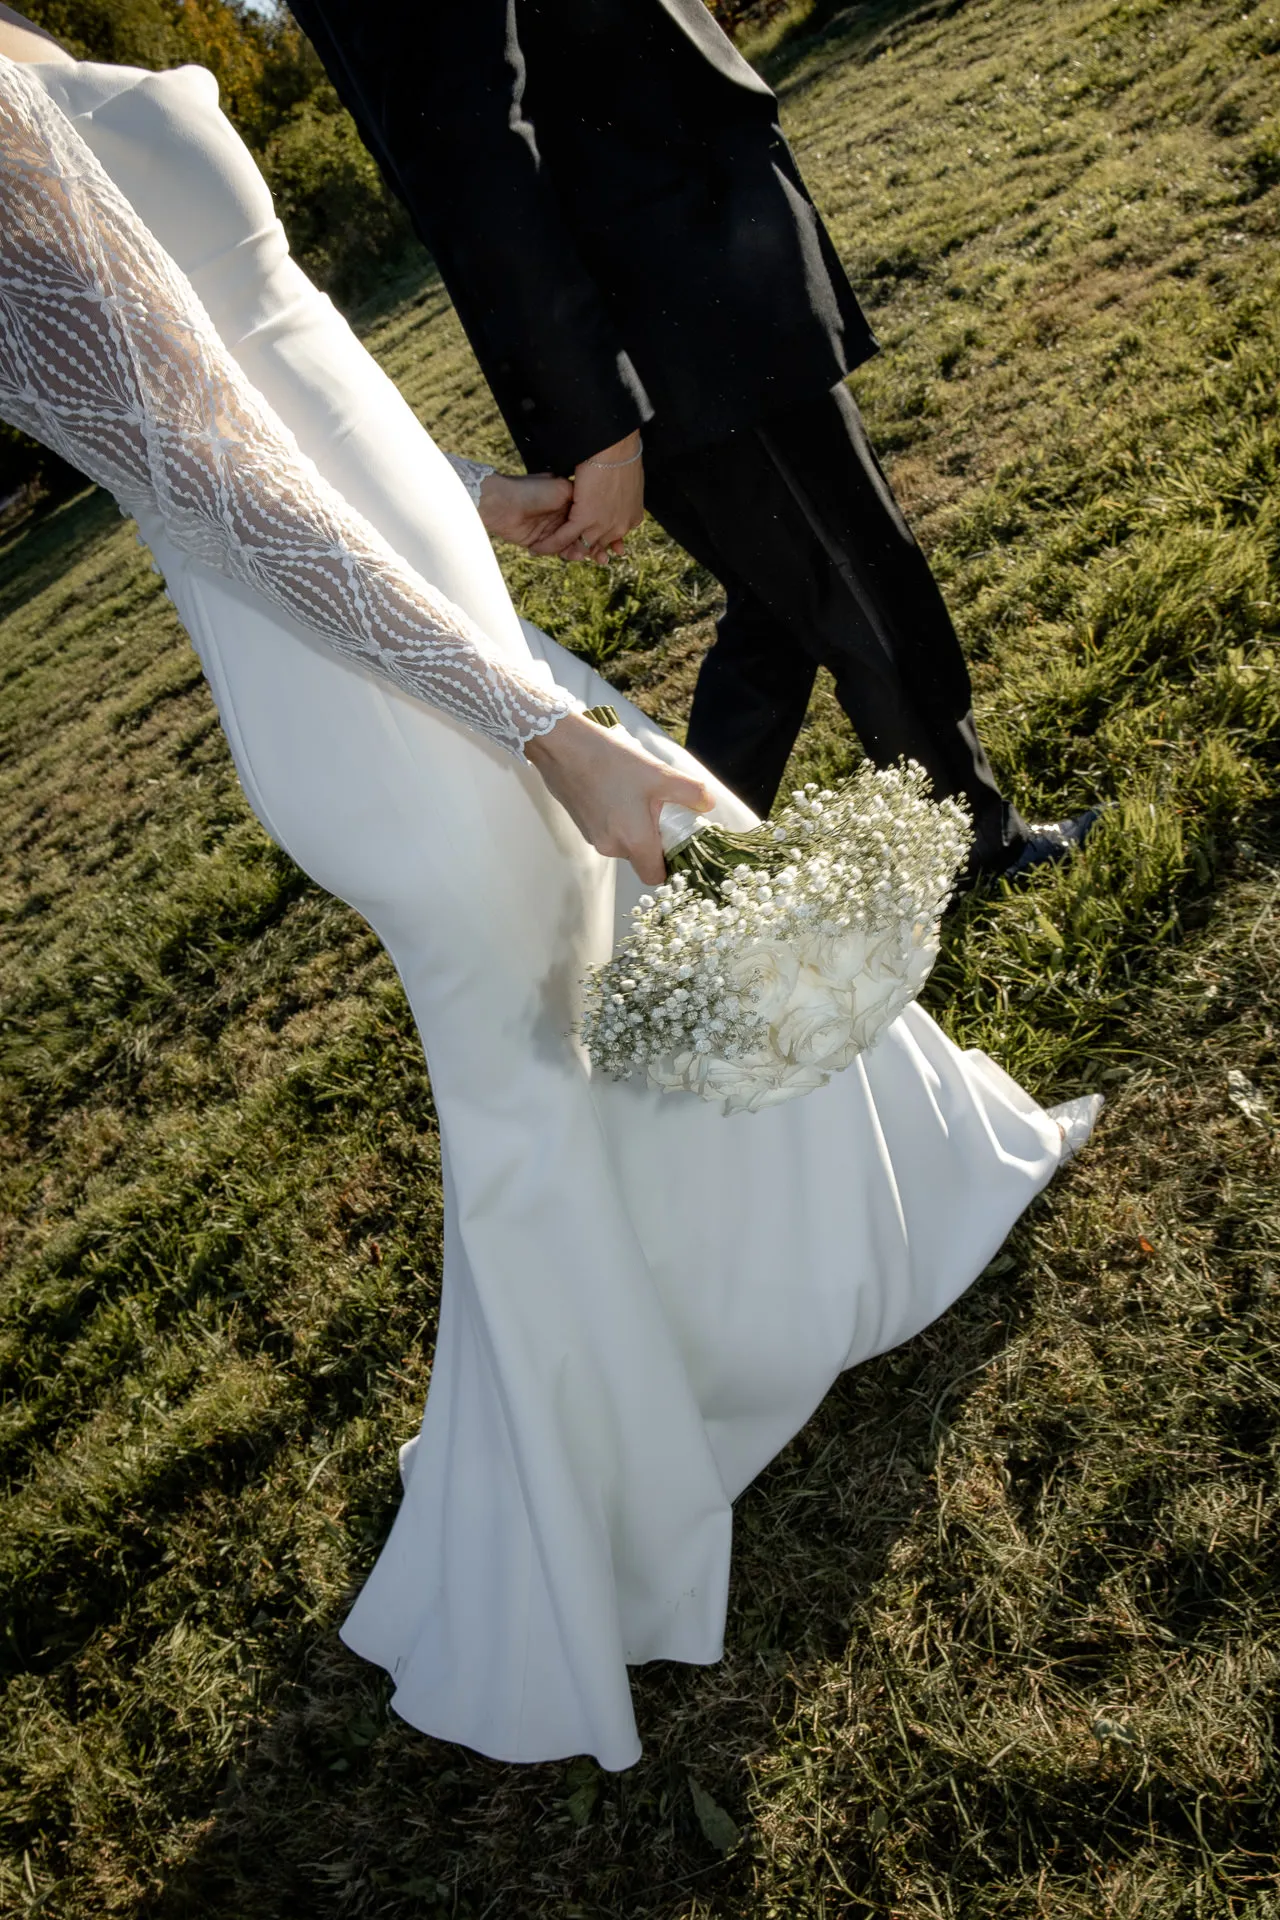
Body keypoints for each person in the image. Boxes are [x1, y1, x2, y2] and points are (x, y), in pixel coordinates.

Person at [0, 14, 1099, 1771]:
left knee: (607, 988)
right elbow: (207, 474)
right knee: (531, 1067)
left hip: (423, 599)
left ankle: (749, 1321)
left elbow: (265, 375)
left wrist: (469, 493)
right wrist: (539, 730)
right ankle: (565, 1546)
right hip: (369, 679)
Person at [284, 0, 1098, 882]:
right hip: (665, 313)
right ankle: (975, 846)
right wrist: (599, 426)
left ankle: (681, 881)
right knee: (858, 578)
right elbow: (469, 148)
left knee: (783, 604)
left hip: (697, 268)